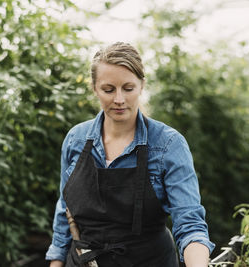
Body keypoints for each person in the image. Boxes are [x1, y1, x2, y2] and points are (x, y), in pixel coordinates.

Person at [46, 42, 215, 267]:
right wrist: (56, 262)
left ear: (142, 85)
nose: (119, 99)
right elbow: (64, 212)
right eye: (108, 89)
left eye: (128, 88)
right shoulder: (75, 140)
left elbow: (190, 223)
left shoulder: (167, 144)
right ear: (94, 88)